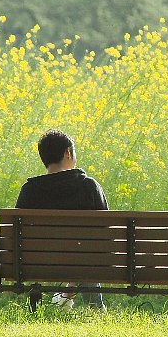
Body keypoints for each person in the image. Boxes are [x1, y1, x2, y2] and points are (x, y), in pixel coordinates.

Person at [17, 129, 108, 310]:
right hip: (85, 262)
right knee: (90, 250)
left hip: (38, 264)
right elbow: (106, 234)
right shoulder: (89, 187)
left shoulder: (29, 190)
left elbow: (17, 234)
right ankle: (93, 308)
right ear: (68, 152)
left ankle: (65, 295)